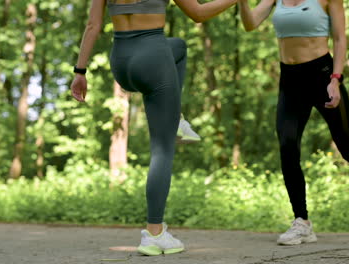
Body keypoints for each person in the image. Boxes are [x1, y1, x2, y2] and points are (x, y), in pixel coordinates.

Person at [70, 0, 236, 255]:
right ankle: (154, 233)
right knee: (162, 149)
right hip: (153, 60)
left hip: (122, 63)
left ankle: (177, 118)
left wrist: (80, 72)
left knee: (179, 46)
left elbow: (93, 25)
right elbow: (199, 14)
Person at [238, 0, 349, 245]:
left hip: (322, 76)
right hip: (290, 81)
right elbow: (250, 23)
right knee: (287, 144)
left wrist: (335, 80)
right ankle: (302, 222)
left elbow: (339, 38)